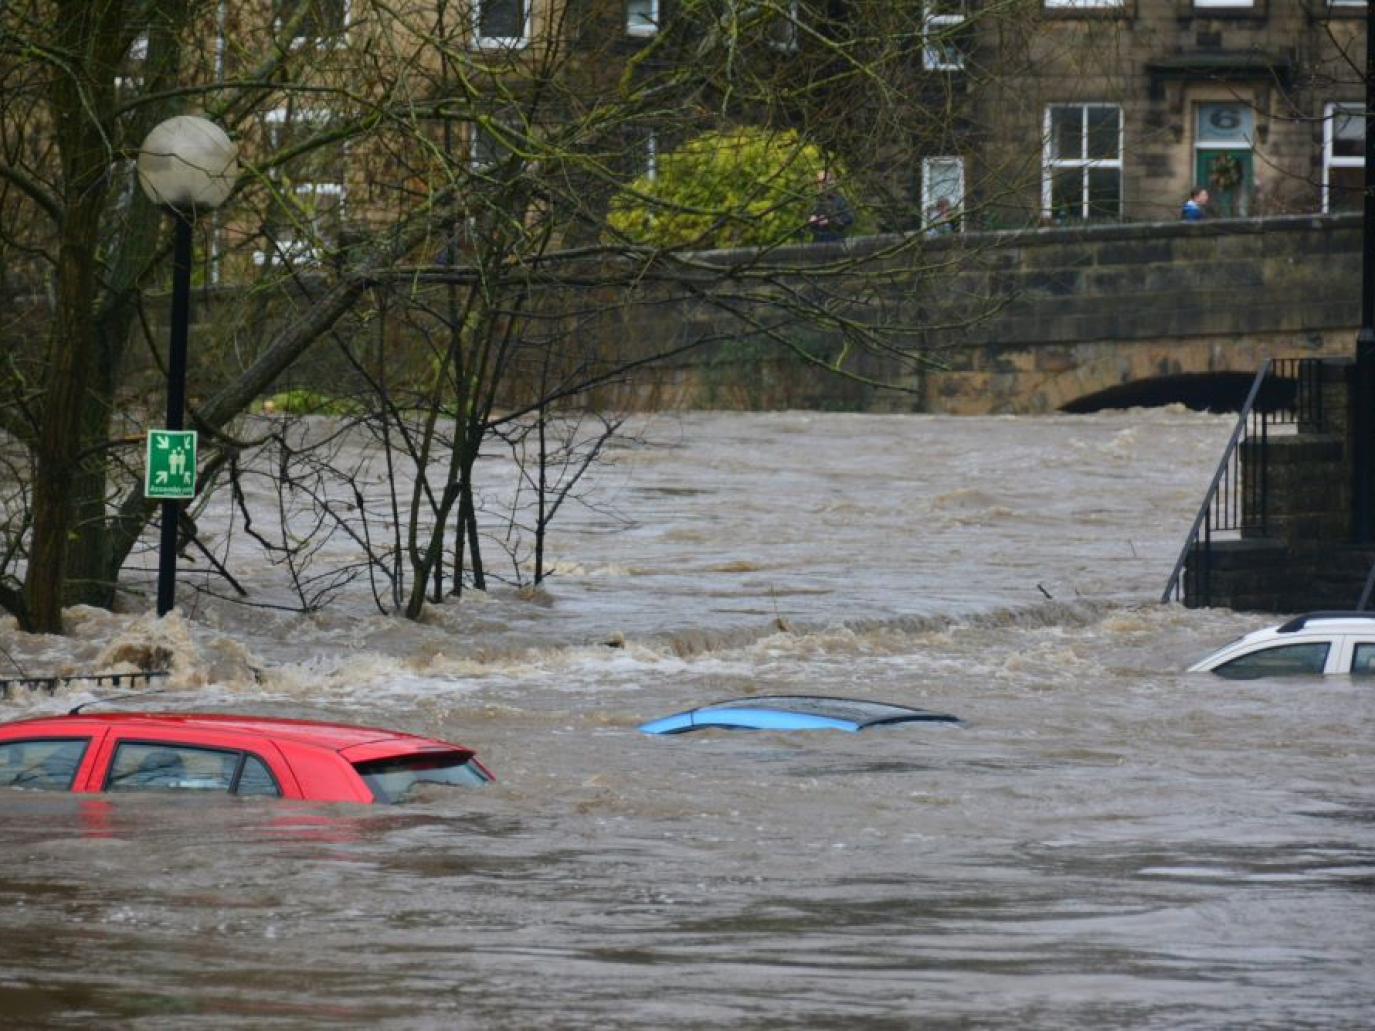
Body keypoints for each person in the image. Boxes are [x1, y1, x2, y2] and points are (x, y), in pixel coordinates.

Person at [807, 169, 854, 243]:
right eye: (820, 182)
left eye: (825, 181)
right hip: (817, 244)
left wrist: (830, 221)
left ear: (832, 182)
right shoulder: (815, 201)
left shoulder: (839, 200)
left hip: (835, 243)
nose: (822, 184)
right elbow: (806, 220)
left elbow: (849, 218)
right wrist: (810, 219)